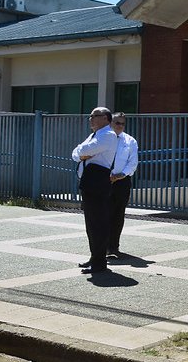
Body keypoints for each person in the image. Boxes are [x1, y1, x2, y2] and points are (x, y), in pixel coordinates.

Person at [71, 107, 118, 274]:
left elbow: (84, 150)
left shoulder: (108, 135)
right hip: (89, 180)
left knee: (98, 222)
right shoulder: (94, 135)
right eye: (90, 116)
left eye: (95, 116)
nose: (91, 119)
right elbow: (76, 153)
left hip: (98, 179)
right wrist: (83, 154)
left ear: (105, 118)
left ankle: (99, 263)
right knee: (90, 222)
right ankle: (94, 256)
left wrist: (83, 153)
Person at [107, 112, 138, 259]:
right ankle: (102, 246)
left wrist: (120, 176)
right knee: (102, 214)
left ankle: (114, 246)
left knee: (118, 215)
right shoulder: (103, 138)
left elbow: (132, 163)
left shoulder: (130, 141)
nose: (119, 126)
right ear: (110, 123)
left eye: (122, 123)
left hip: (122, 182)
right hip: (104, 181)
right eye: (117, 122)